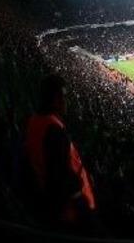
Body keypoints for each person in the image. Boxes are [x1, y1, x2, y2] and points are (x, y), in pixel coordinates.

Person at [23, 74, 96, 228]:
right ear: (56, 99)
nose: (66, 101)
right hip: (71, 215)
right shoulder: (53, 129)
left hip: (59, 208)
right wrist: (81, 206)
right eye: (64, 95)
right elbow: (60, 178)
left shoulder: (34, 121)